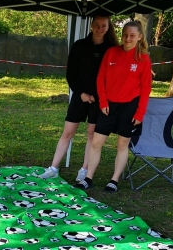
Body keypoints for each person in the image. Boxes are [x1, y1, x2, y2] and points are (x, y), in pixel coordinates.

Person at [76, 19, 153, 192]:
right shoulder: (111, 53)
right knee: (96, 142)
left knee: (122, 144)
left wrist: (140, 113)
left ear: (139, 37)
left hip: (129, 107)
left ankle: (114, 180)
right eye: (125, 35)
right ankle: (88, 178)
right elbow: (100, 79)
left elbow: (146, 88)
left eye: (132, 35)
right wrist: (103, 102)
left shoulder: (143, 59)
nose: (127, 39)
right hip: (109, 105)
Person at [40, 12, 118, 180]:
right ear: (91, 25)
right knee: (67, 132)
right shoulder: (79, 45)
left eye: (104, 26)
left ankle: (84, 170)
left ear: (108, 27)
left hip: (100, 99)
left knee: (91, 135)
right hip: (79, 96)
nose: (100, 29)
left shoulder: (112, 49)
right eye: (97, 25)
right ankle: (53, 168)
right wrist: (81, 93)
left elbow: (115, 75)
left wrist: (97, 95)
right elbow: (71, 74)